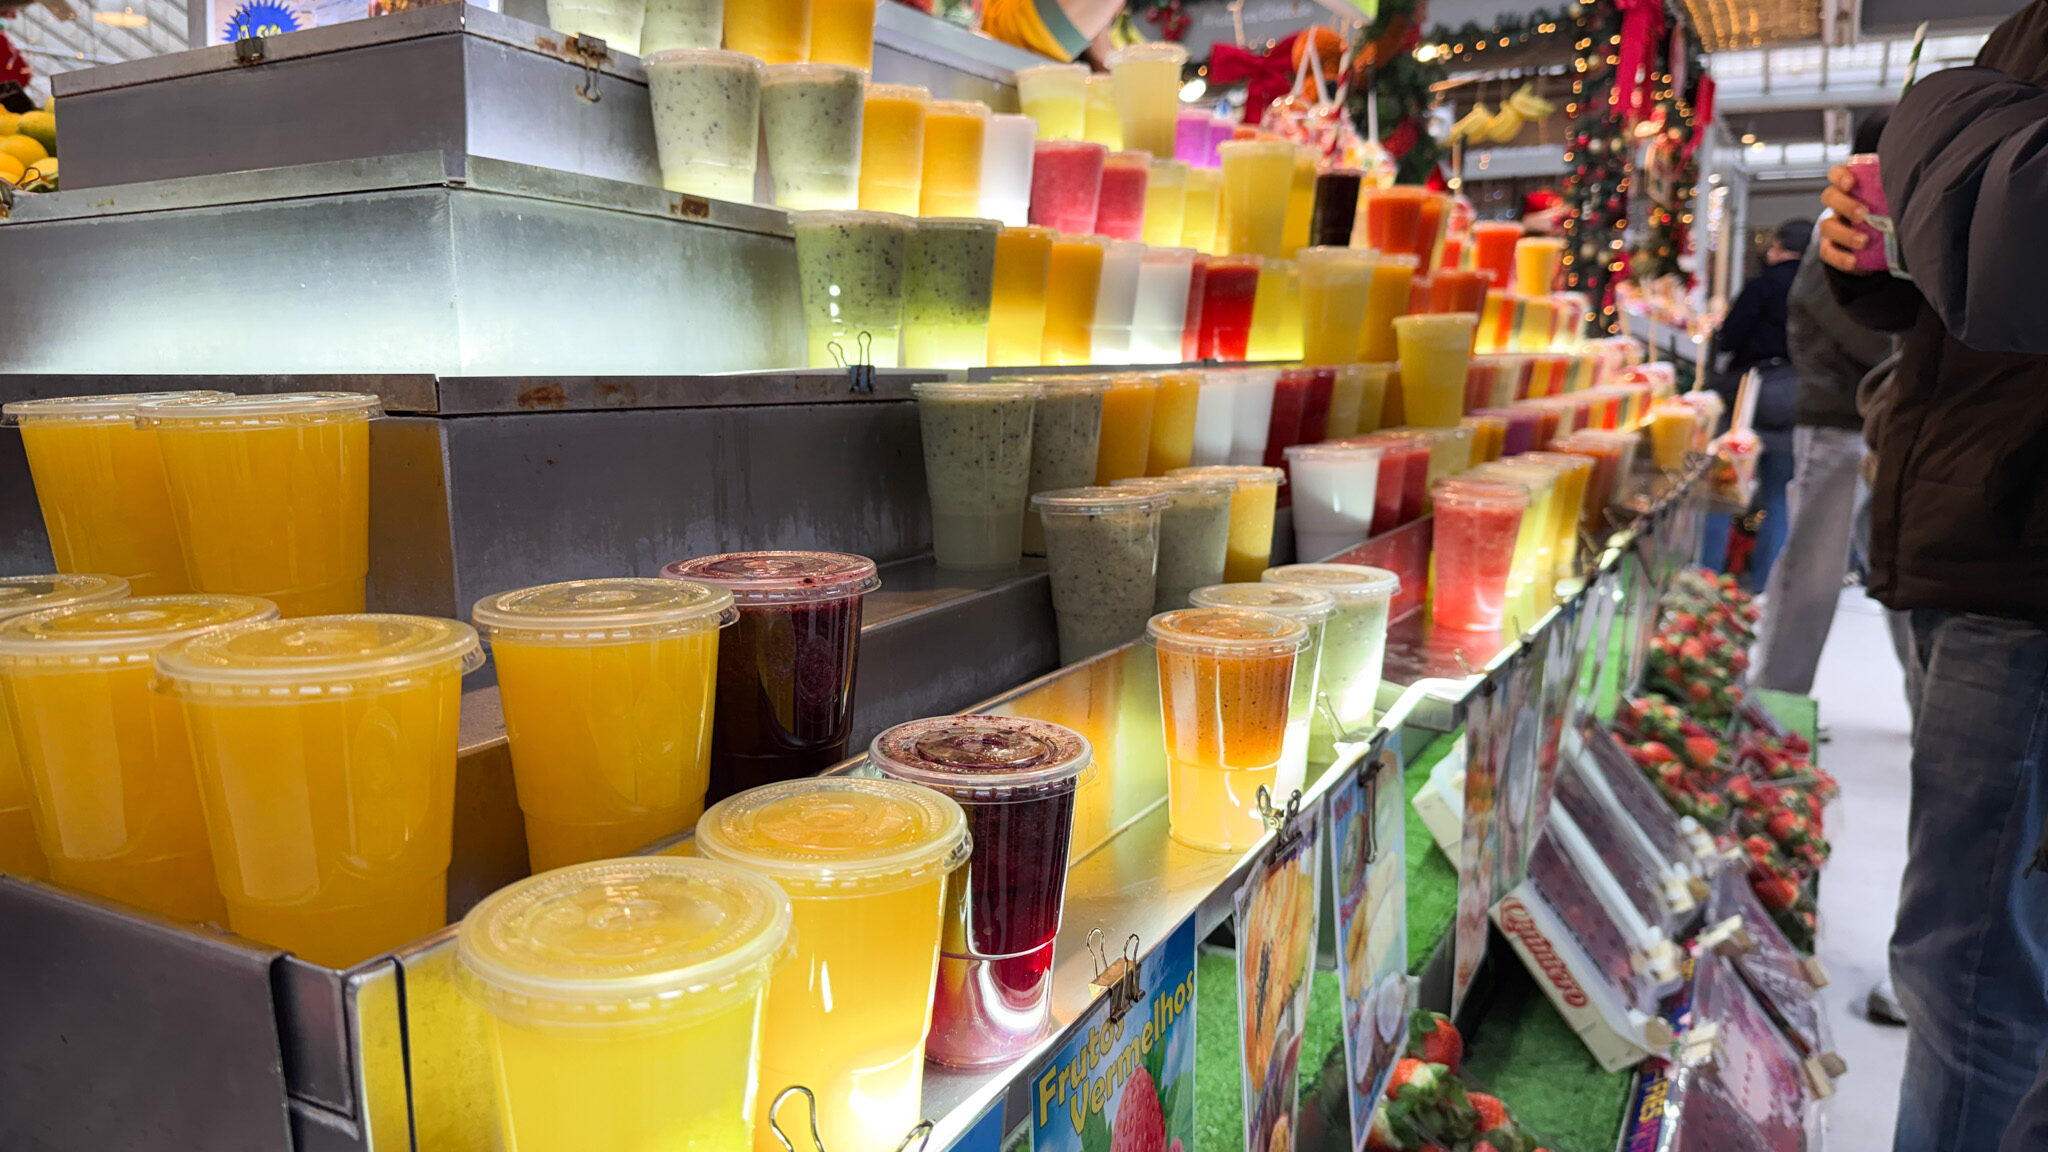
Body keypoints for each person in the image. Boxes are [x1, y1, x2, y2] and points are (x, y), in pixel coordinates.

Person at [1816, 5, 2048, 1148]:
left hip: (2017, 565)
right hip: (1958, 529)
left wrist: (1931, 127)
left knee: (1964, 963)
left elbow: (2021, 231)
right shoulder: (2020, 33)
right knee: (1971, 942)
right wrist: (1879, 254)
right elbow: (1973, 280)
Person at [1752, 115, 1893, 696]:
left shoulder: (1874, 232)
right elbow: (1866, 334)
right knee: (1813, 570)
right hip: (1838, 422)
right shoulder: (1837, 236)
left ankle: (1927, 698)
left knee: (1895, 571)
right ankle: (1775, 703)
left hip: (1876, 425)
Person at [1701, 220, 1809, 586]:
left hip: (1751, 391)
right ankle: (1765, 584)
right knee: (1779, 496)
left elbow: (1732, 336)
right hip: (1796, 395)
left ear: (1777, 247)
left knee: (1723, 488)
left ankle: (1707, 577)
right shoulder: (1819, 288)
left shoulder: (1761, 286)